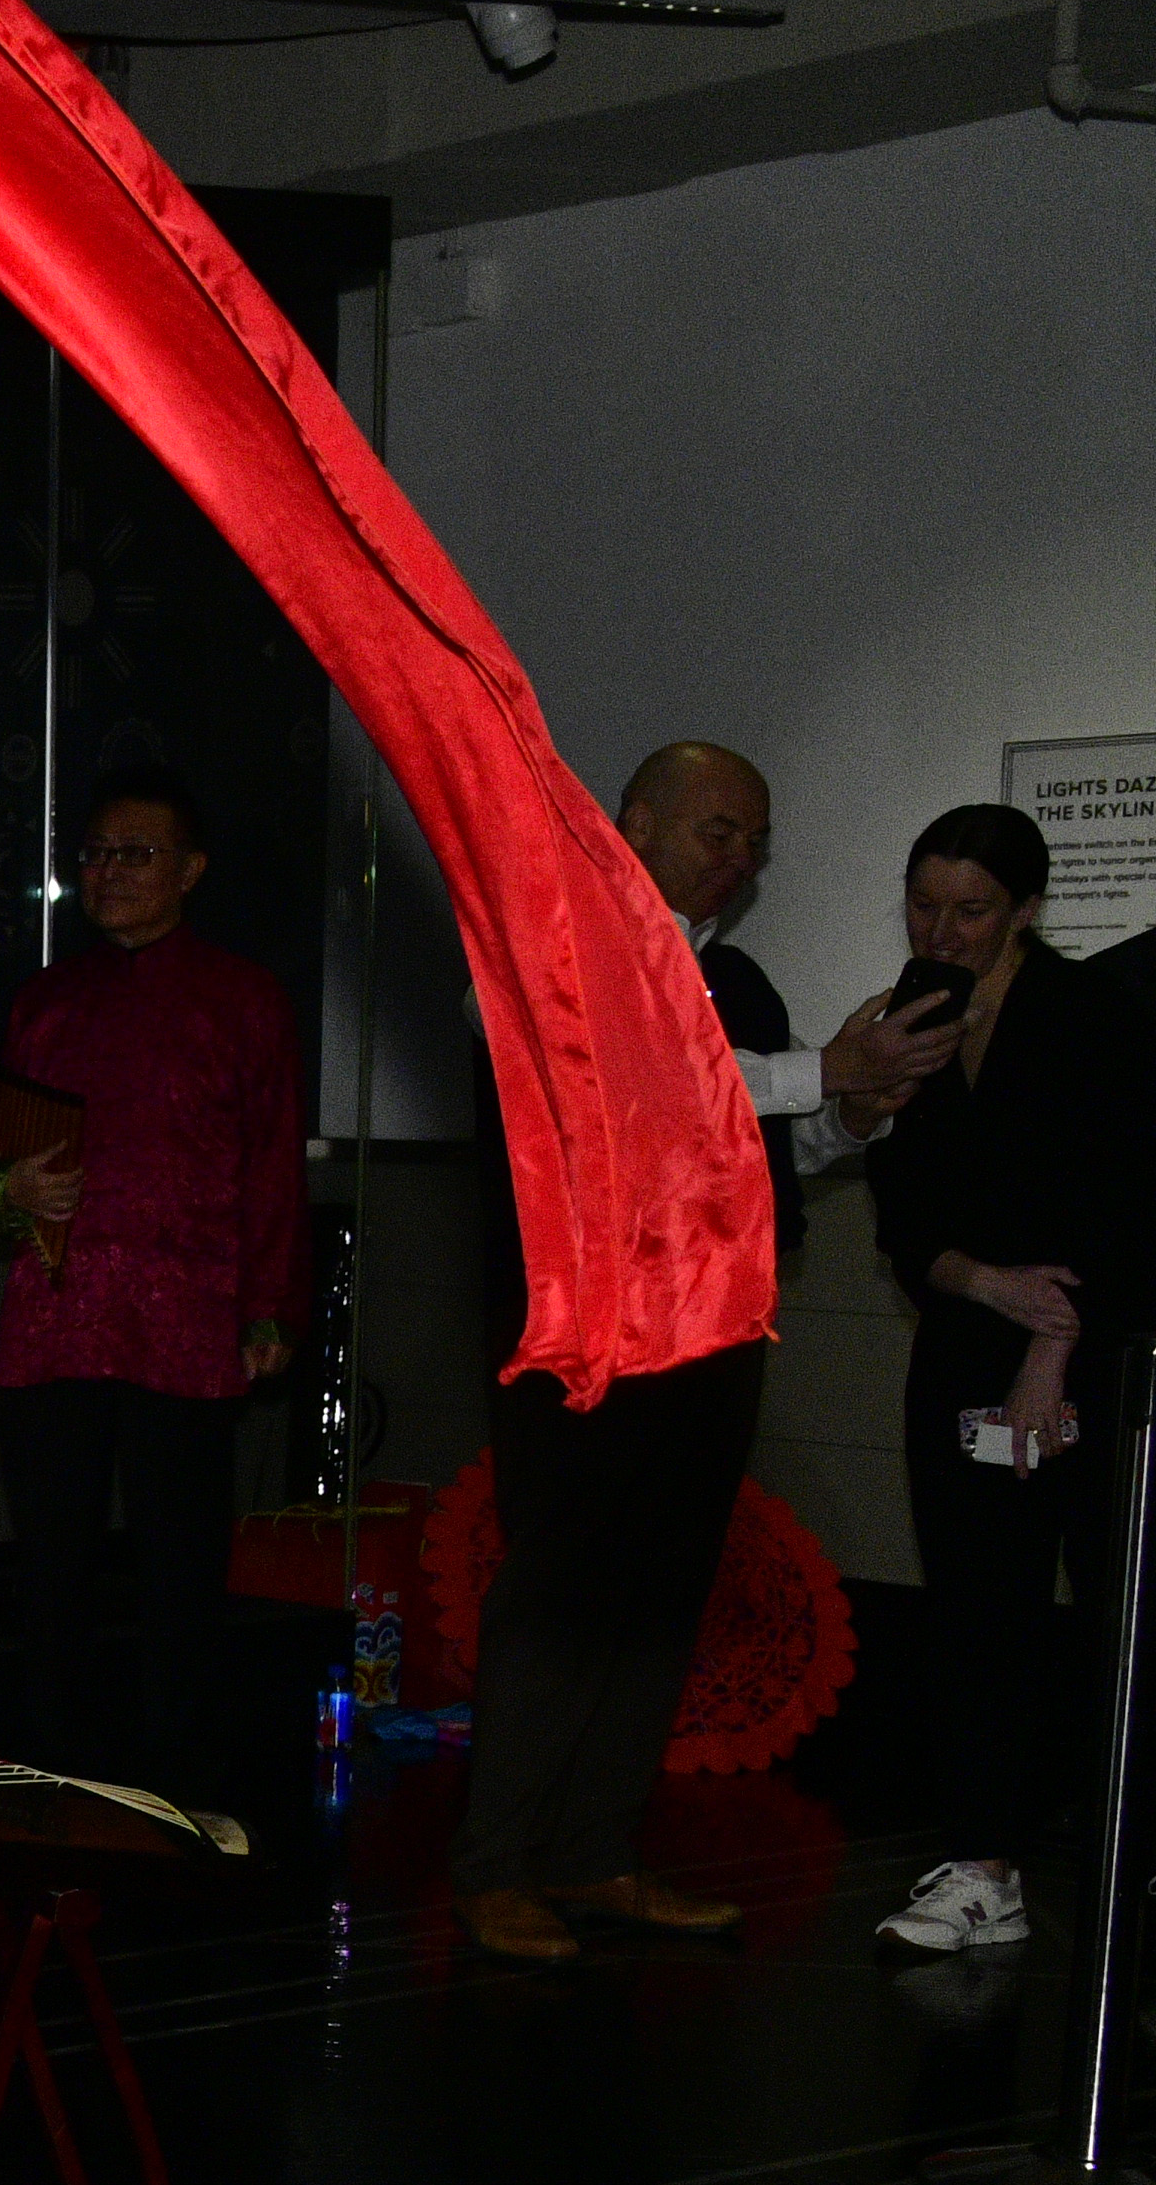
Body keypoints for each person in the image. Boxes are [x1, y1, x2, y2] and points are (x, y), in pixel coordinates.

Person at [448, 744, 953, 1966]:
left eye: (754, 845)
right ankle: (494, 1865)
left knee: (661, 1595)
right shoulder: (555, 947)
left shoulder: (740, 982)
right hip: (590, 1334)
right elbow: (630, 1086)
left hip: (716, 1333)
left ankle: (596, 1852)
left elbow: (773, 1153)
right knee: (562, 1592)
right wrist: (810, 1076)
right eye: (717, 832)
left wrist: (849, 1113)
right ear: (634, 824)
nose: (738, 862)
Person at [0, 764, 299, 1812]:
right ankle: (53, 1773)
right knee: (53, 1569)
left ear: (191, 872)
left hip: (188, 1325)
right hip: (55, 1320)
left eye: (136, 855)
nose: (109, 875)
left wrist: (268, 1308)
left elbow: (275, 1166)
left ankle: (178, 1783)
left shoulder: (244, 999)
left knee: (180, 1575)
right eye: (97, 855)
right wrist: (8, 1188)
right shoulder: (47, 1000)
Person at [863, 804, 1152, 1954]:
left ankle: (1130, 1879)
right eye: (924, 904)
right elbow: (903, 1214)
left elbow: (1122, 1207)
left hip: (1092, 1351)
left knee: (1110, 1612)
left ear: (1026, 910)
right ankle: (983, 1868)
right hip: (965, 1346)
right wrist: (983, 1286)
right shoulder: (911, 1015)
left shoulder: (1097, 1018)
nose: (942, 930)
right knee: (977, 1612)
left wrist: (1051, 1347)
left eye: (970, 911)